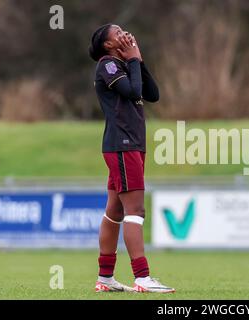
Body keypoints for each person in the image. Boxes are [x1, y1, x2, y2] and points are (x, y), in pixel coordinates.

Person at [89, 23, 174, 293]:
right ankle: (142, 277)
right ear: (107, 44)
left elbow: (152, 94)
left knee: (114, 211)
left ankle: (105, 278)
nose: (123, 33)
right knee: (135, 210)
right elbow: (133, 92)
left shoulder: (124, 64)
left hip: (130, 144)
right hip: (123, 145)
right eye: (117, 32)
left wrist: (139, 60)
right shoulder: (108, 65)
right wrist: (133, 60)